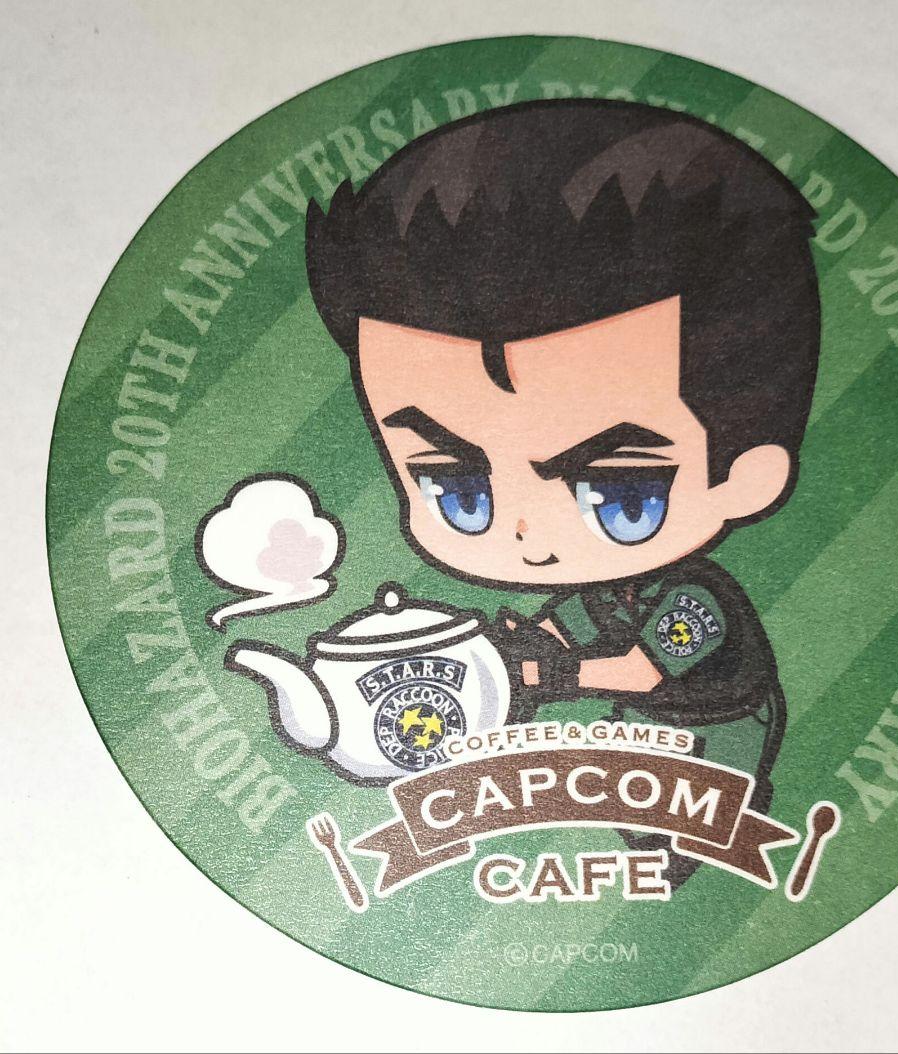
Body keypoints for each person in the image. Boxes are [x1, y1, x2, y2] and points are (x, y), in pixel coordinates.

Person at [306, 99, 821, 884]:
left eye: (622, 498)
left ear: (747, 477)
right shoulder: (602, 592)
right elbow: (557, 629)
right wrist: (498, 651)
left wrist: (545, 678)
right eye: (458, 490)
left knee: (681, 846)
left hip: (719, 728)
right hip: (641, 727)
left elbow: (641, 671)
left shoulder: (693, 600)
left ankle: (697, 849)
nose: (527, 536)